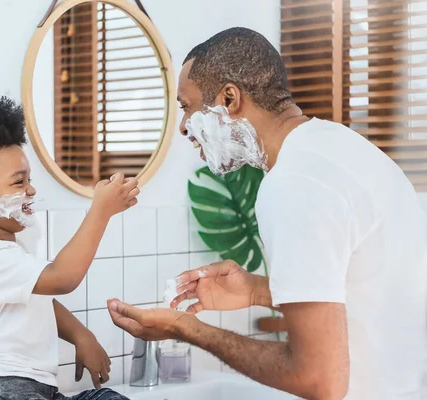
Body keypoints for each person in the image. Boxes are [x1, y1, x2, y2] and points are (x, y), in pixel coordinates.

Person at [107, 27, 427, 400]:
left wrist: (185, 329)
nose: (182, 128)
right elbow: (370, 287)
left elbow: (317, 380)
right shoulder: (344, 149)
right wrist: (258, 290)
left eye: (187, 107)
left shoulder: (294, 183)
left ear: (229, 99)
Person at [0, 93, 137, 400]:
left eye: (28, 180)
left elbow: (39, 301)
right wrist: (101, 211)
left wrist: (81, 335)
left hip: (36, 388)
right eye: (18, 182)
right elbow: (62, 278)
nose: (30, 190)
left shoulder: (13, 251)